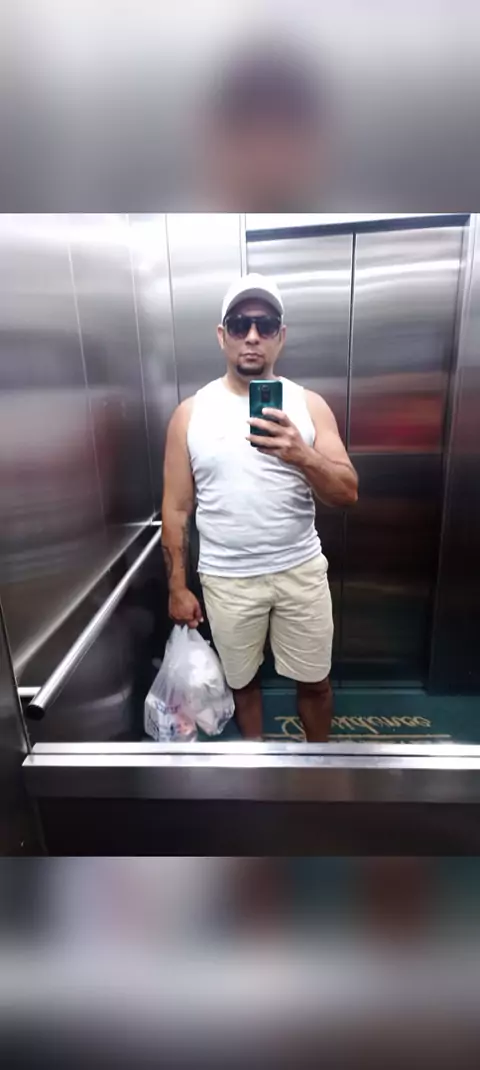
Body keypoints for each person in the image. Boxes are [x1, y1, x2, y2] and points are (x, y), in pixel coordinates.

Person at [161, 274, 358, 741]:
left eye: (265, 325)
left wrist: (302, 454)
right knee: (242, 683)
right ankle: (256, 764)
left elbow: (347, 493)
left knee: (316, 682)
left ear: (280, 336)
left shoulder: (309, 406)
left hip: (300, 571)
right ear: (222, 334)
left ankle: (318, 765)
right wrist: (177, 587)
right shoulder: (191, 413)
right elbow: (176, 508)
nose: (252, 336)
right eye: (239, 324)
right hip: (226, 578)